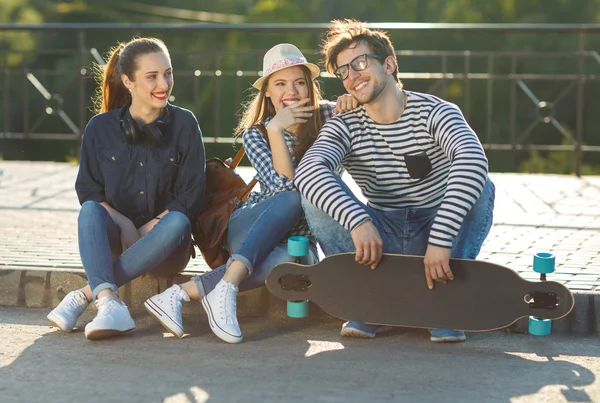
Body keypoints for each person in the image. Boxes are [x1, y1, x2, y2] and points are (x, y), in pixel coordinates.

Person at [294, 19, 495, 343]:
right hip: (376, 241)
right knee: (314, 196)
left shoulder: (435, 112)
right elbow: (309, 171)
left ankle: (443, 302)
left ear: (389, 64)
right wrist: (357, 220)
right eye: (343, 71)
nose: (352, 76)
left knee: (481, 187)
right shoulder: (344, 124)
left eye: (359, 63)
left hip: (437, 238)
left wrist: (441, 239)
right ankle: (369, 301)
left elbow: (471, 160)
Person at [144, 43, 356, 344]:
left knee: (303, 259)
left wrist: (353, 102)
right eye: (280, 84)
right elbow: (287, 188)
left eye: (299, 82)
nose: (291, 91)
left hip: (297, 237)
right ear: (267, 92)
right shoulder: (257, 133)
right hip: (250, 225)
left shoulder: (329, 117)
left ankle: (177, 295)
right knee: (296, 195)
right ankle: (227, 289)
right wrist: (276, 131)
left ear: (310, 87)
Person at [46, 37, 206, 340]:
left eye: (168, 73)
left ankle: (85, 294)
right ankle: (109, 303)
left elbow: (191, 197)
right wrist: (123, 225)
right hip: (119, 243)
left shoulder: (185, 124)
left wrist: (146, 232)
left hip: (169, 247)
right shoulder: (99, 128)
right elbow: (89, 192)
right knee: (90, 211)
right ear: (127, 81)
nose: (164, 83)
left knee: (179, 220)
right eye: (152, 76)